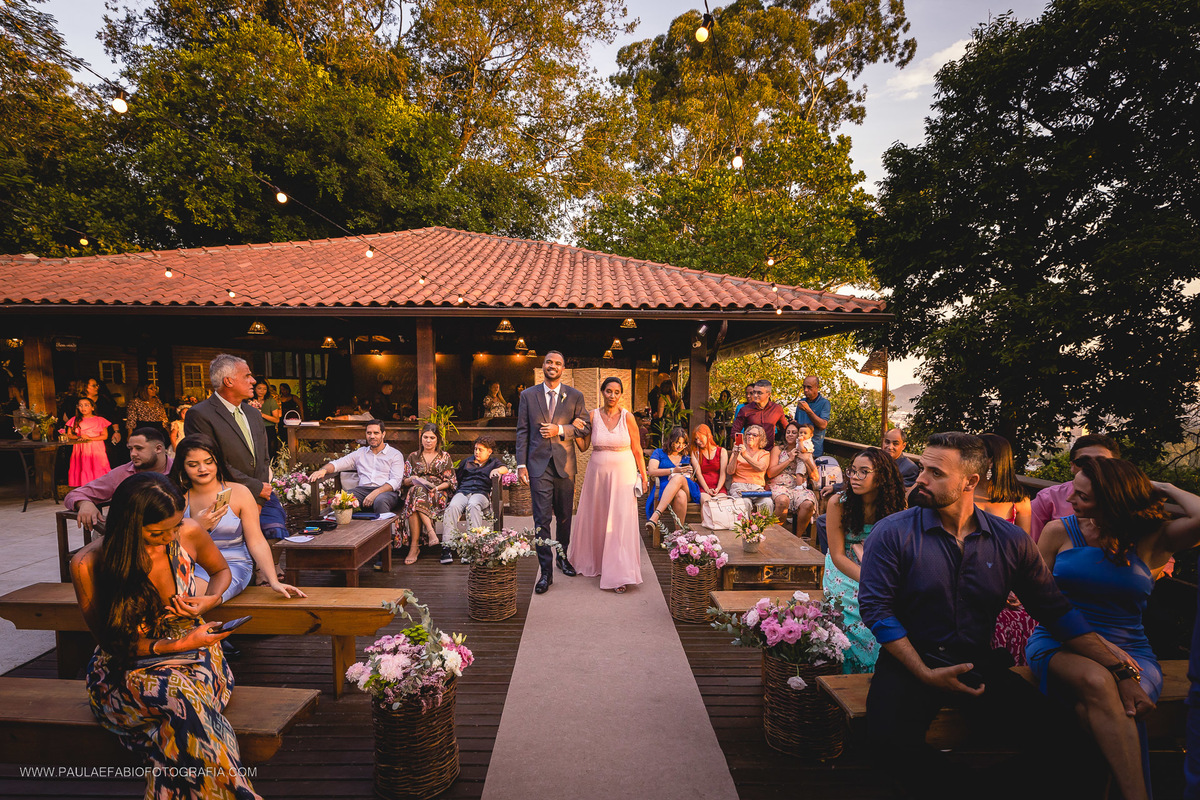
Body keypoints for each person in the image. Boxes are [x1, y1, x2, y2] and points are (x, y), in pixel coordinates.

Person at [858, 432, 1155, 800]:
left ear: (970, 482)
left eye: (936, 473)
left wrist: (1120, 670)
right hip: (910, 661)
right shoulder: (893, 532)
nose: (921, 479)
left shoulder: (1010, 540)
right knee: (885, 744)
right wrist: (924, 672)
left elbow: (1056, 611)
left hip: (977, 663)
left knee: (1077, 746)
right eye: (922, 468)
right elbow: (876, 610)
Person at [68, 472, 262, 800]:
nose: (171, 536)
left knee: (180, 712)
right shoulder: (89, 564)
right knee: (181, 701)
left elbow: (221, 571)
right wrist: (181, 644)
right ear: (129, 526)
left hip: (197, 650)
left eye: (175, 526)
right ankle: (238, 792)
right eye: (159, 532)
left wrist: (211, 599)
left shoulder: (188, 532)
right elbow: (115, 645)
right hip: (127, 668)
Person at [1027, 458, 1200, 800]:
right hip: (1060, 642)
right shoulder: (1059, 531)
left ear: (1113, 500)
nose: (1071, 500)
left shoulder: (1153, 538)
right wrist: (1103, 652)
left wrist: (1163, 487)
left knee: (1094, 711)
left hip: (1132, 650)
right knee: (1097, 681)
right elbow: (1038, 600)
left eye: (1083, 497)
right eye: (1073, 492)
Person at [169, 435, 304, 603]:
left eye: (208, 462)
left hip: (233, 563)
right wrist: (197, 526)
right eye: (193, 465)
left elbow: (257, 541)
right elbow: (166, 543)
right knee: (170, 594)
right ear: (182, 467)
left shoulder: (240, 493)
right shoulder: (176, 498)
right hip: (190, 565)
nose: (202, 469)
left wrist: (273, 580)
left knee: (190, 595)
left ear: (218, 461)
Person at [184, 355, 288, 539]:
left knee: (276, 529)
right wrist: (255, 488)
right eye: (247, 376)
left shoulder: (253, 413)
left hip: (261, 493)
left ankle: (271, 567)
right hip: (223, 495)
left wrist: (259, 496)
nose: (253, 381)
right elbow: (210, 461)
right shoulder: (199, 414)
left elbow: (263, 456)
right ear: (229, 381)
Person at [823, 447, 906, 674]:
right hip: (845, 567)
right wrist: (869, 580)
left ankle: (886, 670)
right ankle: (854, 671)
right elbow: (838, 555)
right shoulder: (838, 503)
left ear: (882, 477)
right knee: (858, 607)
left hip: (880, 566)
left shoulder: (896, 506)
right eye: (852, 471)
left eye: (864, 472)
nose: (855, 477)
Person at [515, 351, 590, 594]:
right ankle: (545, 572)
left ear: (563, 368)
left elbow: (585, 426)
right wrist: (520, 464)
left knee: (565, 516)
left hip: (565, 465)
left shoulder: (575, 396)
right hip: (537, 466)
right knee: (541, 520)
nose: (553, 366)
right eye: (549, 362)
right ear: (543, 366)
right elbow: (522, 432)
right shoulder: (528, 395)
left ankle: (562, 556)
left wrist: (560, 429)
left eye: (558, 363)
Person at [568, 377, 648, 594]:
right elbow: (584, 447)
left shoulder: (628, 417)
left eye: (617, 392)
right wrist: (576, 430)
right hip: (598, 474)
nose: (612, 396)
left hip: (624, 473)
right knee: (599, 516)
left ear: (621, 394)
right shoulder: (592, 416)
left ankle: (619, 572)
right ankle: (595, 562)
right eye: (609, 391)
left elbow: (638, 449)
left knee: (620, 520)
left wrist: (644, 475)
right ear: (602, 392)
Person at [972, 433, 1038, 667]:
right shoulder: (960, 492)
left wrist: (1014, 588)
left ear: (991, 461)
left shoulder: (1018, 499)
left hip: (1005, 578)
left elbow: (1024, 551)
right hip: (965, 574)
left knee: (1017, 615)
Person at [65, 427, 173, 534]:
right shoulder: (122, 473)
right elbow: (75, 494)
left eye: (139, 448)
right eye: (130, 449)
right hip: (129, 534)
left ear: (158, 449)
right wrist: (84, 504)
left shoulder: (179, 469)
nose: (133, 454)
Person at [1030, 433, 1120, 541]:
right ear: (1072, 466)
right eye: (1084, 462)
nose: (1092, 467)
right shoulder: (1048, 499)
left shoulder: (1131, 500)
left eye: (1101, 462)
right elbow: (1029, 544)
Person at [308, 419, 404, 513]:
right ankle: (338, 528)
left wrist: (375, 493)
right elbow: (337, 464)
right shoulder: (360, 453)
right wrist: (323, 470)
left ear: (383, 434)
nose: (372, 436)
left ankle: (385, 529)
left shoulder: (395, 454)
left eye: (376, 433)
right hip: (362, 491)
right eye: (369, 433)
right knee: (340, 501)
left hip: (386, 492)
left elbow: (396, 481)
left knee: (380, 501)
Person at [440, 436, 508, 563]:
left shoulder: (493, 462)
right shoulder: (466, 462)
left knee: (473, 505)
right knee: (452, 507)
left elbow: (505, 468)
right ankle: (447, 546)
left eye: (480, 450)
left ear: (489, 451)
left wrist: (497, 470)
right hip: (463, 492)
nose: (476, 452)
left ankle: (472, 547)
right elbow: (457, 479)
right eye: (475, 449)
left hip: (481, 494)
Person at [400, 423, 455, 565]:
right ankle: (431, 532)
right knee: (416, 491)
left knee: (415, 498)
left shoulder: (444, 456)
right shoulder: (413, 456)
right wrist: (412, 479)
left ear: (438, 440)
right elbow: (404, 481)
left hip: (437, 493)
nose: (428, 440)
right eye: (425, 437)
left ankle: (414, 546)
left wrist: (436, 488)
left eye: (432, 437)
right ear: (421, 439)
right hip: (417, 492)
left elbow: (450, 481)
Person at [644, 426, 700, 537]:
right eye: (677, 442)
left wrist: (689, 472)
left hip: (687, 486)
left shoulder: (686, 455)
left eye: (683, 443)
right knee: (680, 495)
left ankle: (655, 516)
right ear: (671, 441)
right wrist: (672, 470)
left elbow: (695, 475)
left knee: (678, 478)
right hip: (665, 489)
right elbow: (651, 471)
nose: (680, 446)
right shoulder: (659, 453)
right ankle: (679, 535)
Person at [767, 421, 819, 530]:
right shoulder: (778, 449)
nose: (790, 434)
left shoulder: (806, 451)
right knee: (782, 501)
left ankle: (798, 539)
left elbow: (815, 477)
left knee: (808, 504)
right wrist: (789, 459)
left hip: (798, 487)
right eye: (788, 432)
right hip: (779, 485)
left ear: (799, 435)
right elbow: (770, 473)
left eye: (794, 432)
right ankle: (777, 535)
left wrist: (806, 460)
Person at [62, 396, 112, 486]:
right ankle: (84, 487)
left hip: (96, 448)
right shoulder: (74, 419)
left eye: (86, 405)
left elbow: (105, 436)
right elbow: (69, 435)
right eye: (80, 405)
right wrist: (79, 437)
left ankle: (100, 488)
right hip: (80, 448)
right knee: (83, 466)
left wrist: (89, 438)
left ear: (92, 407)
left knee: (97, 466)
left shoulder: (100, 420)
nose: (83, 408)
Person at [726, 424, 773, 512]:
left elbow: (761, 467)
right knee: (745, 502)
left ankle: (764, 526)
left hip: (757, 488)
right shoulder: (737, 451)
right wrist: (736, 454)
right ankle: (744, 526)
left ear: (761, 439)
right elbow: (730, 471)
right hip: (739, 486)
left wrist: (745, 455)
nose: (750, 436)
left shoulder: (764, 453)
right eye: (748, 434)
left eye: (754, 435)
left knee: (767, 502)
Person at [730, 380, 788, 450]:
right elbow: (734, 433)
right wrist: (744, 445)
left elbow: (786, 430)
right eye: (754, 392)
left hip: (769, 452)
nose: (755, 395)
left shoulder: (777, 409)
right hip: (749, 452)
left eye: (759, 393)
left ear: (769, 394)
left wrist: (783, 446)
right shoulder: (745, 410)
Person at [794, 375, 831, 457]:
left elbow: (823, 425)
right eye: (804, 387)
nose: (805, 390)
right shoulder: (801, 402)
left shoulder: (824, 403)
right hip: (798, 448)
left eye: (809, 387)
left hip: (814, 450)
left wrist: (808, 410)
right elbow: (798, 423)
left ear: (817, 387)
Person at [690, 423, 728, 502]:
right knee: (706, 502)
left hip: (718, 487)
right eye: (696, 439)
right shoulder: (695, 452)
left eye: (700, 439)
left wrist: (717, 489)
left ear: (708, 436)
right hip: (703, 487)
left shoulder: (721, 451)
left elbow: (722, 473)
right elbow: (698, 474)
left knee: (722, 501)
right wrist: (707, 489)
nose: (698, 442)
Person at [248, 381, 280, 457]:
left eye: (264, 389)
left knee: (271, 452)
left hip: (268, 429)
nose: (262, 391)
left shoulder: (271, 401)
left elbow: (276, 420)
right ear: (254, 389)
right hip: (253, 429)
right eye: (259, 388)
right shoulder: (249, 401)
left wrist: (261, 414)